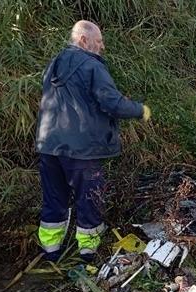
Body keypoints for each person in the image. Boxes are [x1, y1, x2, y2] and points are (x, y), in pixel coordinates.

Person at [34, 20, 151, 262]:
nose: (103, 46)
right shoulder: (91, 67)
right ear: (83, 40)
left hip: (48, 145)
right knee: (89, 199)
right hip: (82, 150)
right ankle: (87, 254)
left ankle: (51, 251)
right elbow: (112, 103)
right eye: (98, 41)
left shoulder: (53, 65)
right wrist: (140, 110)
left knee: (54, 198)